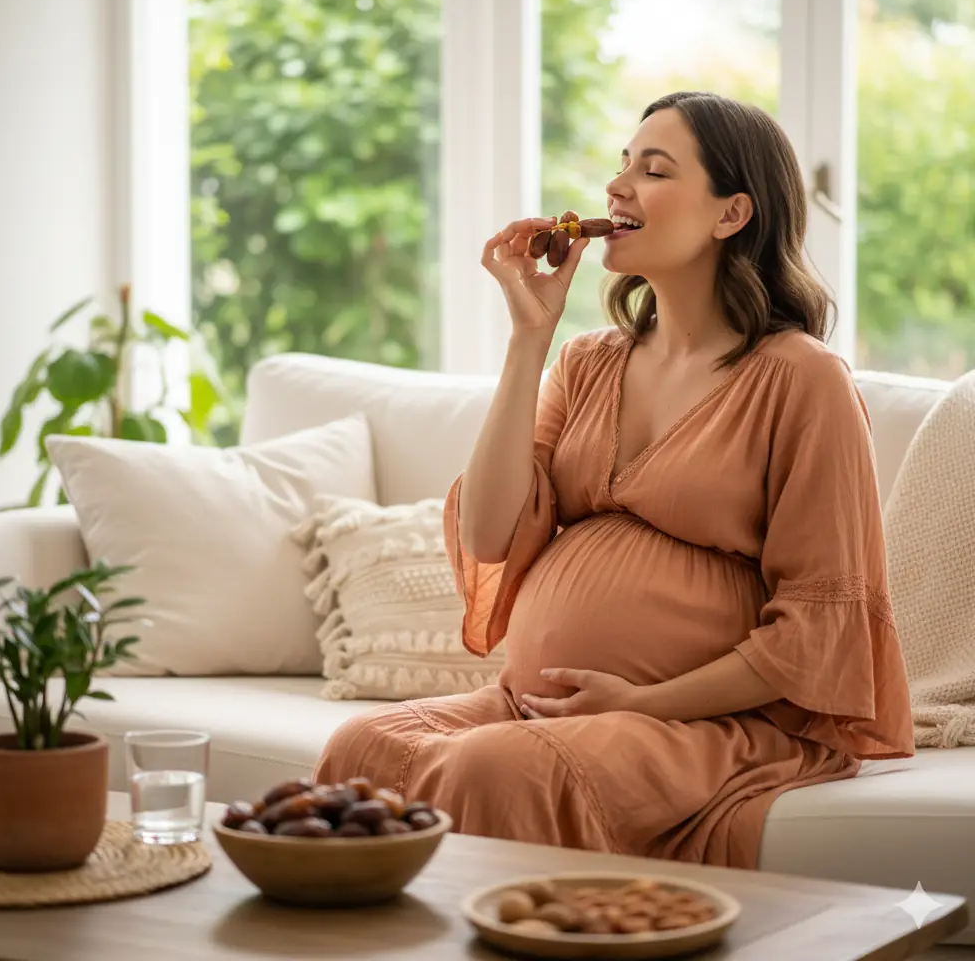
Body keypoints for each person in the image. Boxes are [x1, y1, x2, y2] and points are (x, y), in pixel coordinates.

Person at [313, 91, 915, 868]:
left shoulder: (802, 380)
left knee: (493, 767)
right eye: (623, 164)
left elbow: (819, 629)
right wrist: (530, 337)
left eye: (653, 170)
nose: (617, 187)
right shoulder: (588, 360)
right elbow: (489, 532)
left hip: (703, 722)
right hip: (540, 707)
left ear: (731, 214)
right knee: (364, 744)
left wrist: (642, 701)